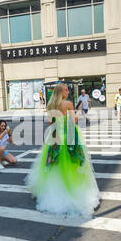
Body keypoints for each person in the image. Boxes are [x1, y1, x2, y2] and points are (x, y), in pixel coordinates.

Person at [25, 83, 100, 216]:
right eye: (65, 90)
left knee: (55, 165)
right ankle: (72, 191)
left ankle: (53, 194)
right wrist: (78, 111)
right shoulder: (69, 104)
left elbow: (51, 124)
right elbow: (73, 121)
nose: (67, 91)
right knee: (73, 163)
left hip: (55, 136)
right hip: (69, 134)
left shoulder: (50, 105)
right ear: (60, 92)